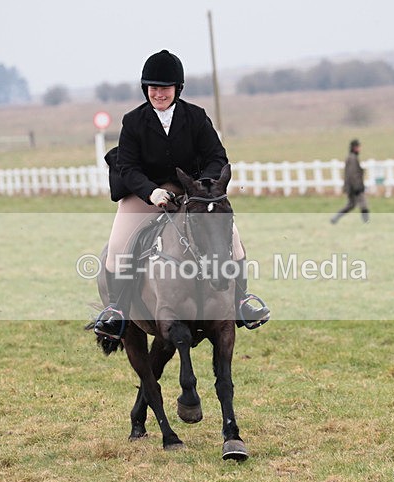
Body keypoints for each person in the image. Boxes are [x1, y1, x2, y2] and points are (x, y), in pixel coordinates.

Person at [93, 50, 270, 344]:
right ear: (145, 89)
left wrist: (200, 186)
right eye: (153, 87)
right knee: (118, 246)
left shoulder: (195, 117)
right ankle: (117, 310)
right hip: (145, 192)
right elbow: (127, 167)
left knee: (233, 237)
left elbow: (217, 157)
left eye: (164, 88)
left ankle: (241, 301)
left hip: (191, 192)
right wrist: (151, 191)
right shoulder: (134, 121)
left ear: (178, 89)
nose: (158, 93)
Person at [331, 139, 370, 224]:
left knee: (351, 205)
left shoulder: (352, 157)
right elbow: (353, 174)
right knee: (362, 203)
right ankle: (366, 221)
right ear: (355, 148)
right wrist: (357, 187)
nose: (360, 149)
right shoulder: (352, 158)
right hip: (355, 187)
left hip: (353, 186)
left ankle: (335, 218)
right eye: (358, 147)